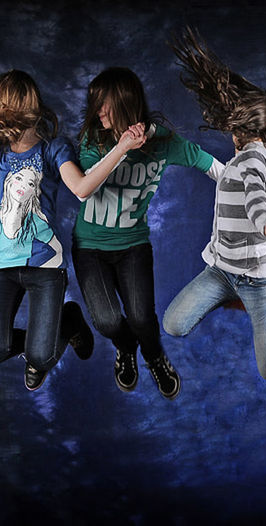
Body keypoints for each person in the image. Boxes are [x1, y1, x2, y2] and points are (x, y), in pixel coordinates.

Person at [0, 43, 140, 390]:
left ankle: (63, 328)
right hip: (2, 267)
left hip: (45, 267)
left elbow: (81, 188)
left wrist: (121, 147)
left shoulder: (53, 148)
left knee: (41, 357)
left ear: (17, 113)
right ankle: (62, 329)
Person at [161, 28, 266, 381]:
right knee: (174, 324)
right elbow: (227, 176)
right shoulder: (239, 163)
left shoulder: (255, 160)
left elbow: (256, 198)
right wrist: (186, 153)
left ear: (236, 127)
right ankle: (239, 299)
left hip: (263, 280)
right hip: (223, 272)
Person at [72, 67, 224, 400]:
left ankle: (154, 356)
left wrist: (247, 192)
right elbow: (85, 187)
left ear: (126, 103)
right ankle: (125, 348)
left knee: (142, 319)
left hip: (132, 245)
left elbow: (210, 165)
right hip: (90, 247)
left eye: (106, 105)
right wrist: (123, 146)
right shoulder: (92, 139)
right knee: (108, 322)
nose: (99, 112)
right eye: (96, 104)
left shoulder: (163, 142)